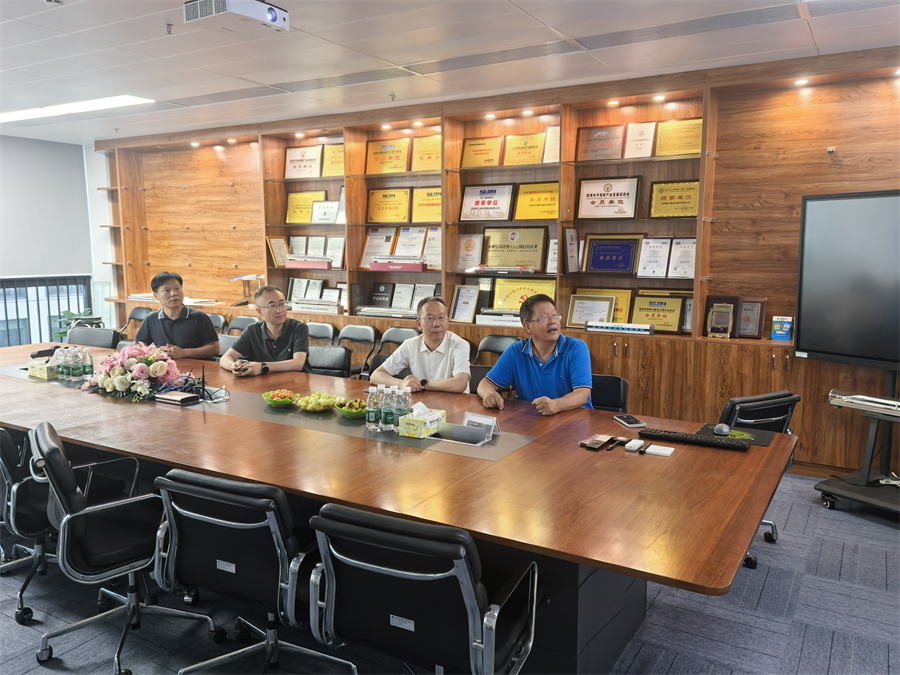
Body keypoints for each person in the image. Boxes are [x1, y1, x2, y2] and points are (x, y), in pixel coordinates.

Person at [477, 294, 592, 415]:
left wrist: (556, 405)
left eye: (554, 315)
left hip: (576, 419)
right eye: (544, 318)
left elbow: (583, 394)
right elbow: (485, 384)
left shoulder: (576, 348)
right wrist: (489, 394)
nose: (552, 322)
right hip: (534, 419)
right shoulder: (516, 351)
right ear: (528, 326)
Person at [369, 297, 471, 393]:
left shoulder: (460, 345)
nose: (436, 324)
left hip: (455, 403)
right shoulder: (411, 345)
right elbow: (375, 376)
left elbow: (460, 384)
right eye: (430, 318)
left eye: (441, 317)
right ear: (419, 324)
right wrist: (402, 383)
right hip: (423, 402)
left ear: (447, 321)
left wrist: (421, 383)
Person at [220, 286, 310, 377]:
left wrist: (263, 366)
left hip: (295, 381)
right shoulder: (252, 330)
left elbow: (298, 363)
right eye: (272, 306)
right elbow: (225, 358)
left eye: (282, 304)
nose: (279, 310)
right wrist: (233, 366)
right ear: (259, 311)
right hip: (263, 381)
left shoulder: (299, 328)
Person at [134, 272, 219, 360]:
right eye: (167, 290)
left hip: (197, 366)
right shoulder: (151, 318)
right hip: (166, 366)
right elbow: (137, 345)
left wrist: (183, 352)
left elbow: (215, 348)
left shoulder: (199, 317)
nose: (174, 293)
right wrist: (156, 351)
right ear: (156, 296)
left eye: (177, 289)